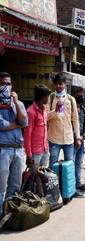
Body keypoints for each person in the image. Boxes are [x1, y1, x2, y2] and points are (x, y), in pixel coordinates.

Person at [0, 72, 28, 216]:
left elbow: (24, 122)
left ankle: (9, 214)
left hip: (18, 150)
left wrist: (15, 102)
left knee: (15, 185)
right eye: (3, 83)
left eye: (8, 84)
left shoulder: (18, 103)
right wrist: (17, 125)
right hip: (3, 150)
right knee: (1, 185)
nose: (6, 86)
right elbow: (1, 124)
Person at [47, 73, 81, 169]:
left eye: (61, 84)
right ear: (54, 84)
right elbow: (45, 117)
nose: (58, 86)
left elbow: (75, 119)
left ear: (65, 84)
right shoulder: (50, 98)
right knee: (52, 165)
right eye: (56, 84)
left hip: (68, 139)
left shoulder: (71, 99)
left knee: (69, 165)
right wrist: (55, 110)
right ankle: (52, 184)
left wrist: (78, 137)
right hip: (53, 138)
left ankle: (68, 184)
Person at [24, 85, 51, 169]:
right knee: (33, 178)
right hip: (35, 152)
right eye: (47, 96)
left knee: (43, 177)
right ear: (43, 97)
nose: (48, 98)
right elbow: (27, 135)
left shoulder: (44, 109)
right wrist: (28, 155)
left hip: (45, 150)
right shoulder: (31, 112)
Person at [72, 87, 85, 194]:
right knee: (72, 163)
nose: (80, 95)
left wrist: (83, 137)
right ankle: (72, 186)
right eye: (78, 93)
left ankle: (78, 183)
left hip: (81, 140)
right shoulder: (71, 109)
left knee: (79, 163)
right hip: (72, 140)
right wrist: (76, 137)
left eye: (81, 93)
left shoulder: (83, 109)